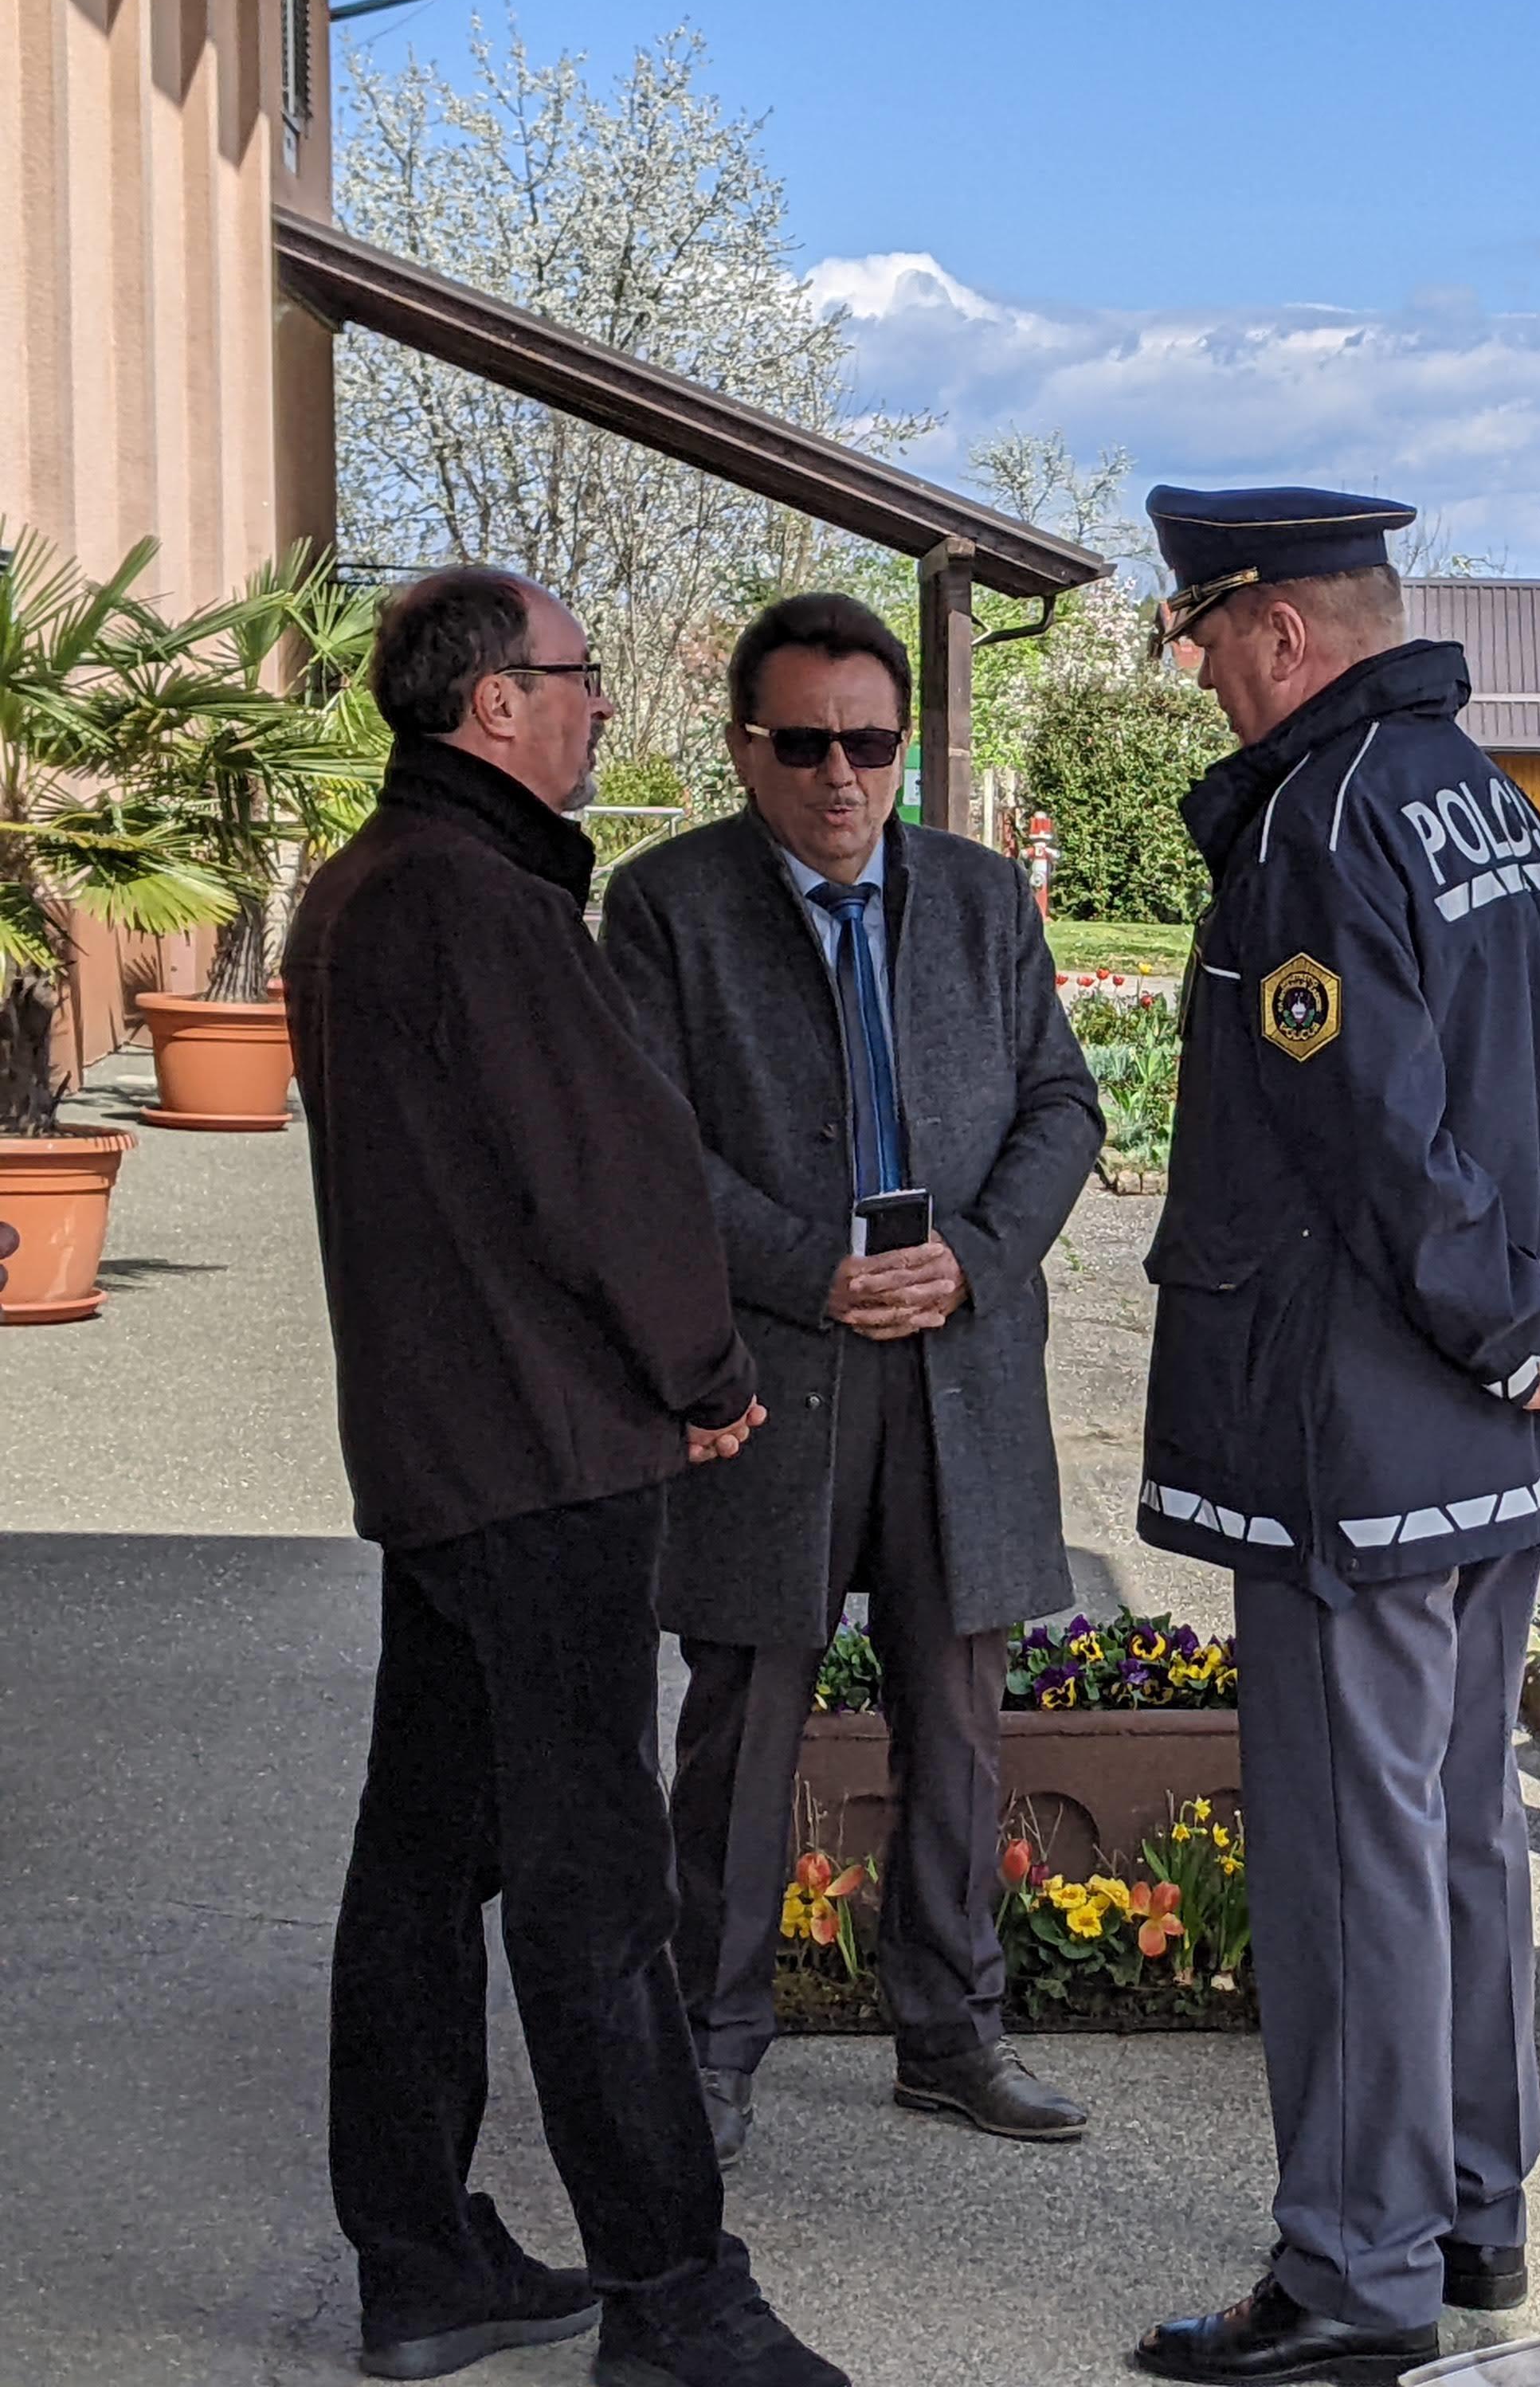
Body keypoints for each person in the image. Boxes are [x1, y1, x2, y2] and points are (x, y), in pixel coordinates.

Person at [285, 569, 847, 2387]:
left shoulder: (369, 887)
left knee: (422, 1864)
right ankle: (673, 2297)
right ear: (493, 704)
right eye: (579, 673)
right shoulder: (480, 902)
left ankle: (422, 2261)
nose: (601, 703)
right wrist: (704, 1373)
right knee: (597, 1891)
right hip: (542, 1464)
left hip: (445, 1459)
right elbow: (608, 1180)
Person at [1126, 486, 1540, 2385]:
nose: (1201, 679)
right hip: (1495, 1436)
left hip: (1360, 1433)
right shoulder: (1489, 799)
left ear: (1277, 628)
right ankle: (1473, 2210)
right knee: (1460, 1829)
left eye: (1203, 641)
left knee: (1355, 1853)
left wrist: (1515, 1326)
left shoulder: (1317, 821)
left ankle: (1357, 2271)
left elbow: (1370, 1136)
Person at [602, 594, 1103, 2162]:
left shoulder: (981, 899)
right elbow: (645, 1148)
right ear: (744, 746)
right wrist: (806, 1263)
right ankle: (711, 2046)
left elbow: (1063, 1106)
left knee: (958, 1713)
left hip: (959, 1362)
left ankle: (951, 2036)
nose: (841, 776)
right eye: (806, 743)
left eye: (872, 745)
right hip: (777, 1363)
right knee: (744, 1718)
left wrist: (976, 1257)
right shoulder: (667, 907)